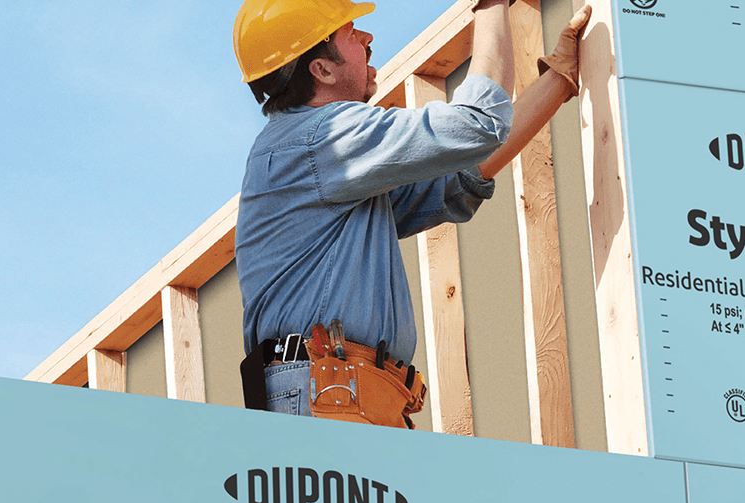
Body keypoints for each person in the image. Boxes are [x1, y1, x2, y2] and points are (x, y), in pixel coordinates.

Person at [233, 0, 590, 427]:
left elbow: (461, 174)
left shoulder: (325, 165)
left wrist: (559, 78)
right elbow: (476, 125)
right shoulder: (322, 138)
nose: (367, 39)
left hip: (346, 392)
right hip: (328, 392)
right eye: (349, 34)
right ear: (322, 70)